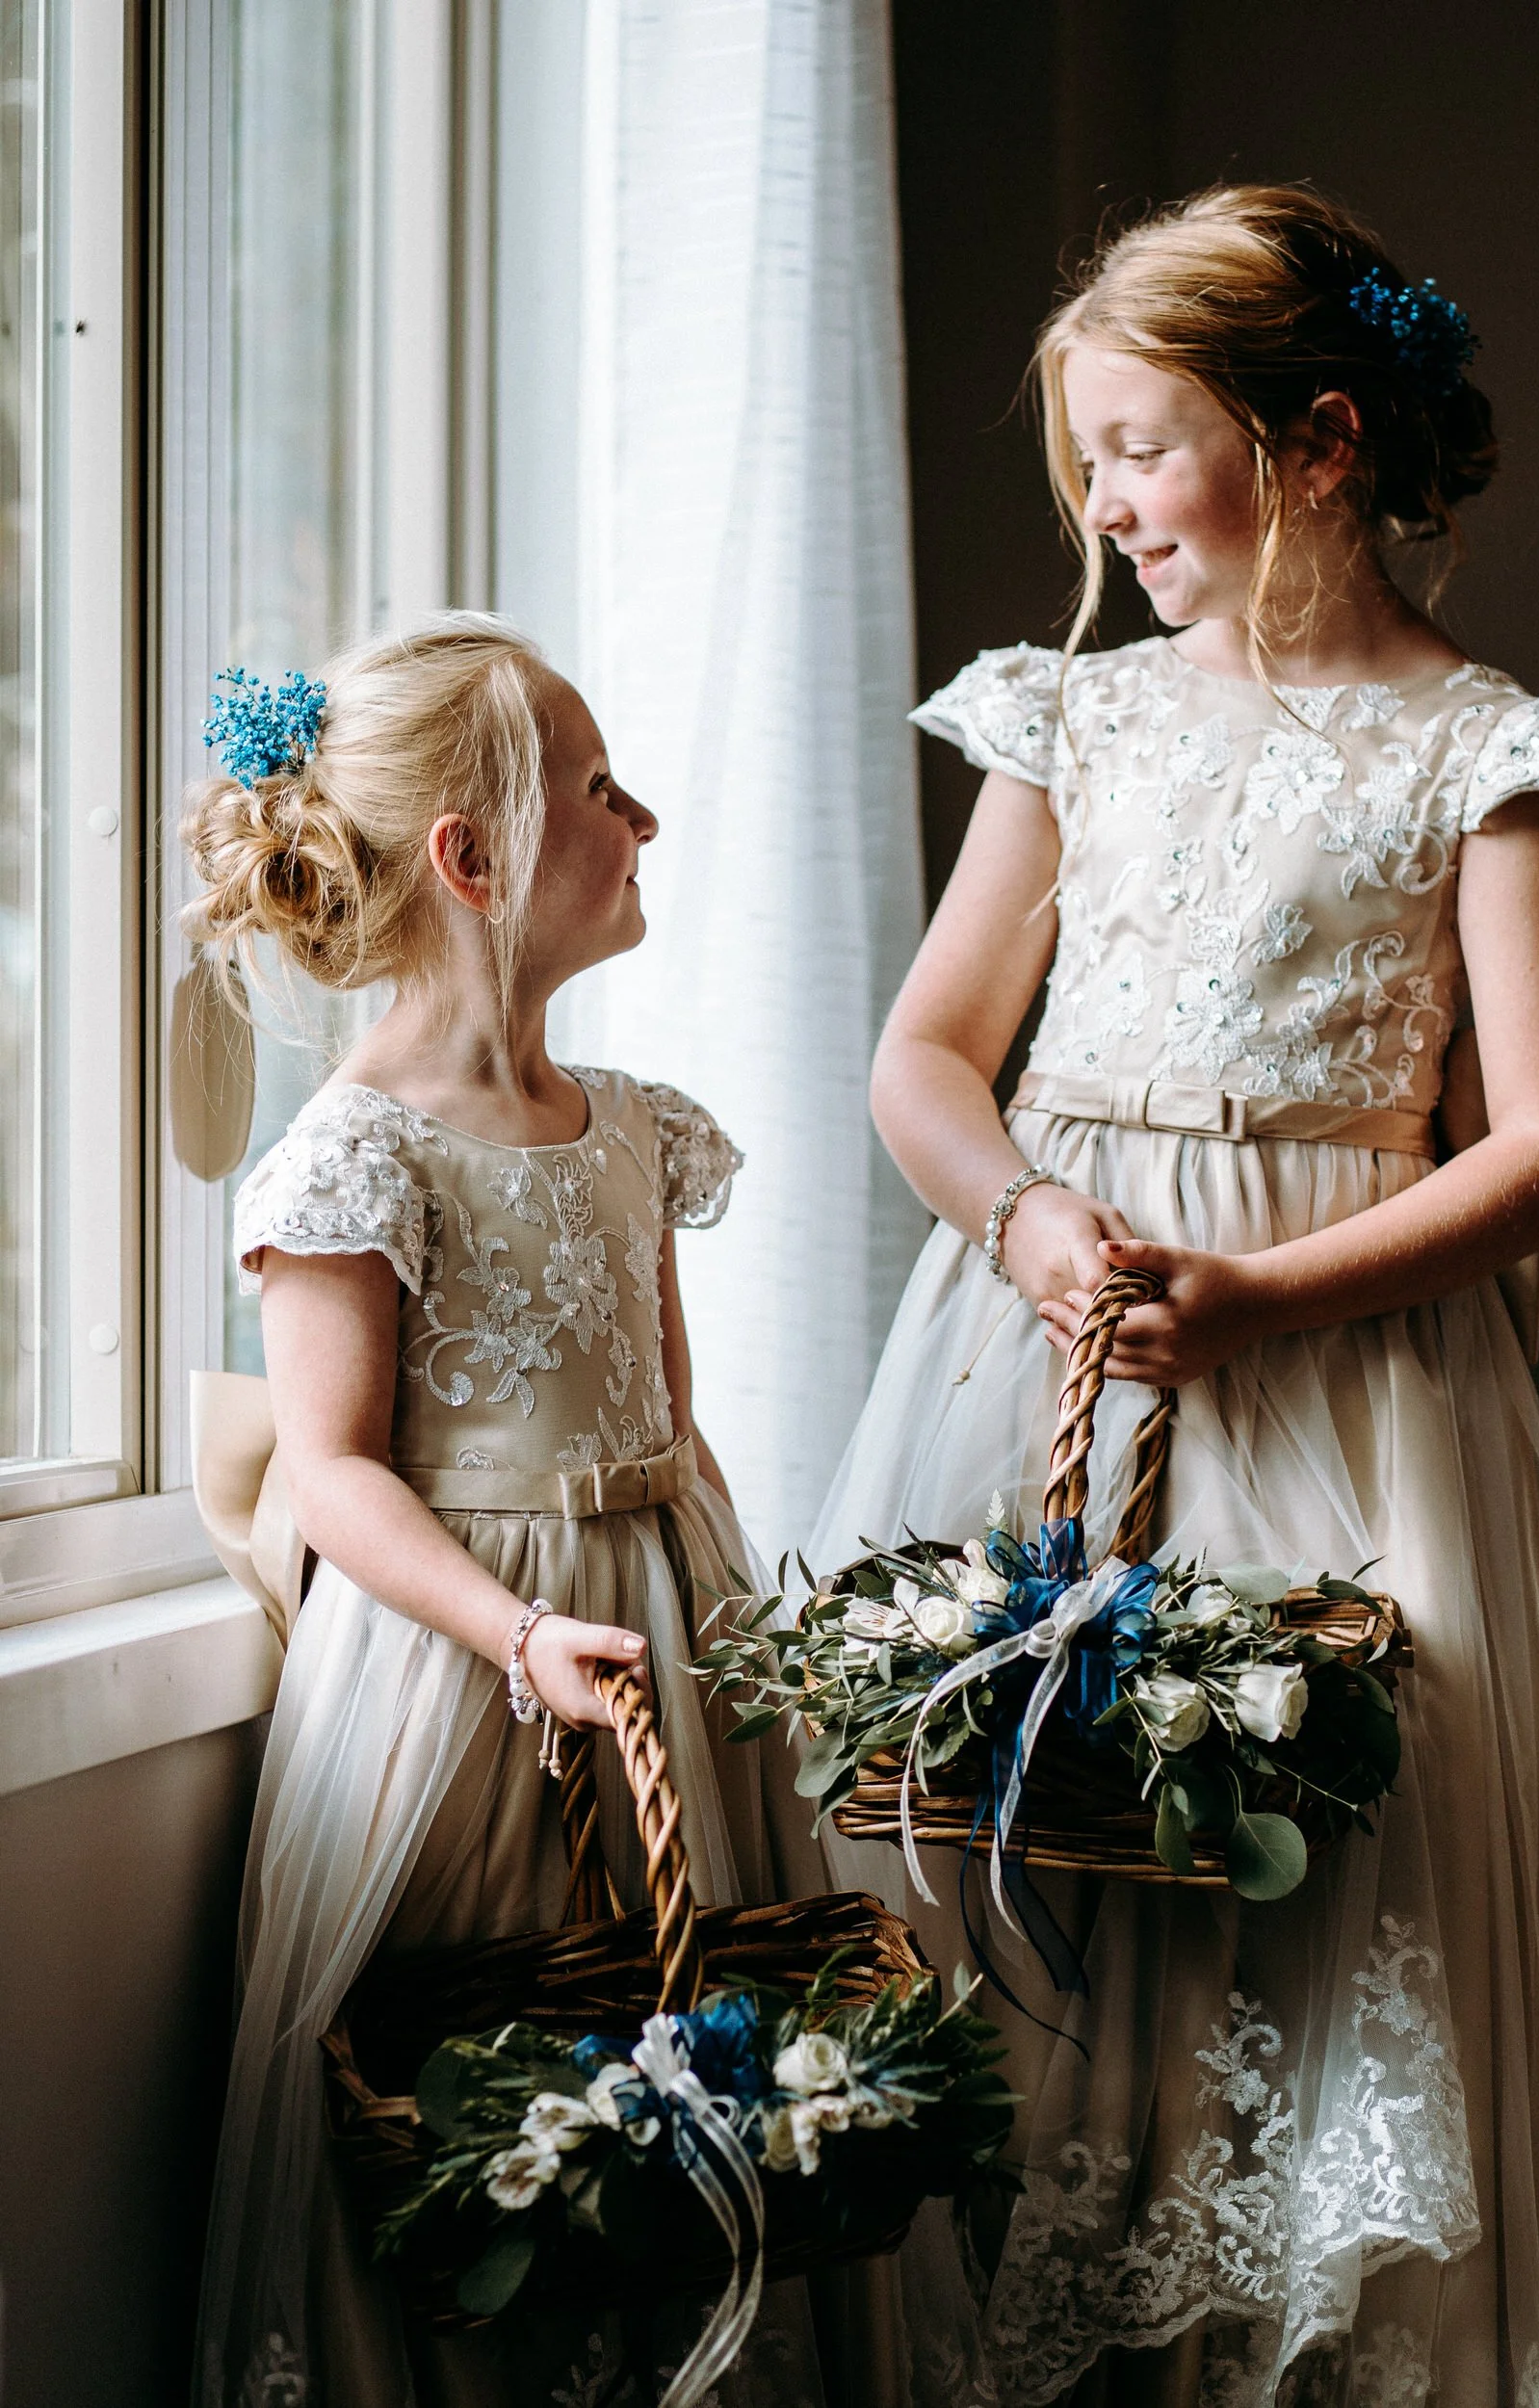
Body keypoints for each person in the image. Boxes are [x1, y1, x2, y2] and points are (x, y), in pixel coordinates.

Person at [810, 187, 1539, 2406]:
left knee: (1321, 1876)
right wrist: (1025, 1220)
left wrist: (1260, 1289)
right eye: (1082, 458)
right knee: (1015, 1828)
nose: (1100, 502)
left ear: (1314, 445)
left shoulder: (1495, 753)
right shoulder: (1070, 725)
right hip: (1054, 1344)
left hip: (1338, 1374)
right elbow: (922, 1054)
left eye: (1139, 448)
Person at [185, 616, 822, 2407]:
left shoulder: (631, 1127)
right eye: (600, 790)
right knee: (480, 2071)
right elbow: (333, 1467)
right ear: (474, 860)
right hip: (470, 1662)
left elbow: (675, 1435)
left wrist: (743, 1632)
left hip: (662, 1635)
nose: (645, 819)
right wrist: (521, 1636)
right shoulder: (356, 1150)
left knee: (687, 2021)